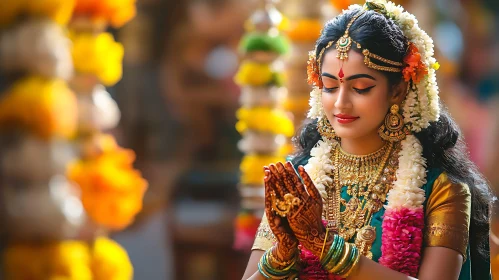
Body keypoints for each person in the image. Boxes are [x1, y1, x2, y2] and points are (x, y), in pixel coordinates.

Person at [241, 1, 492, 279]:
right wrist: (281, 256)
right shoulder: (296, 183)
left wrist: (327, 248)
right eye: (330, 87)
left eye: (361, 88)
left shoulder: (442, 189)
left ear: (397, 91)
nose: (340, 103)